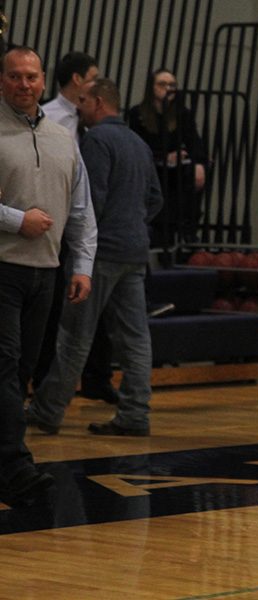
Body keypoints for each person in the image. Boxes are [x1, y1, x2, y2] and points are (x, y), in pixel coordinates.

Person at [26, 77, 162, 436]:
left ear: (100, 103)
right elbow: (155, 199)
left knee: (75, 335)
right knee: (136, 338)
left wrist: (81, 241)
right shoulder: (138, 142)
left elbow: (91, 200)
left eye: (84, 101)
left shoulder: (98, 140)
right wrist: (133, 224)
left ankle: (48, 410)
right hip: (135, 250)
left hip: (101, 253)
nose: (79, 107)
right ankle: (135, 414)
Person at [0, 46, 97, 506]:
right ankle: (15, 465)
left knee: (23, 370)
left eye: (31, 77)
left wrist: (81, 266)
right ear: (3, 80)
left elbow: (81, 210)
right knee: (5, 365)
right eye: (15, 76)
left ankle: (7, 461)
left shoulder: (63, 136)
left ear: (43, 81)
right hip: (3, 267)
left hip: (47, 272)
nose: (24, 84)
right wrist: (17, 220)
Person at [34, 51, 118, 405]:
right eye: (92, 75)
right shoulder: (47, 118)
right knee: (53, 313)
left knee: (93, 312)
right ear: (77, 81)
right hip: (49, 222)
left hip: (82, 223)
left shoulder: (93, 125)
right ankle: (43, 385)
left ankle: (96, 379)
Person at [127, 68, 207, 249]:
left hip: (175, 173)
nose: (168, 88)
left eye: (172, 85)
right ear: (151, 87)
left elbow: (195, 143)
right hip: (151, 170)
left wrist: (199, 164)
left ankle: (187, 232)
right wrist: (164, 156)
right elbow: (138, 146)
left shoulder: (182, 114)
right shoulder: (138, 114)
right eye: (162, 84)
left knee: (190, 174)